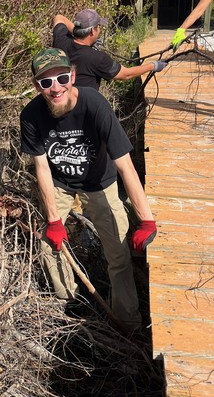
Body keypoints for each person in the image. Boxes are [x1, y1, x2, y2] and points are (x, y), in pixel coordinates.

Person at [20, 47, 157, 332]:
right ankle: (70, 303)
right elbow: (42, 168)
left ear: (72, 76)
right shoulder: (31, 116)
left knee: (118, 252)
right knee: (49, 245)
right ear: (36, 86)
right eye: (46, 82)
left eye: (61, 78)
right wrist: (54, 221)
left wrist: (146, 220)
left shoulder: (95, 105)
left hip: (100, 182)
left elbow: (125, 166)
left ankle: (128, 322)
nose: (55, 87)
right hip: (60, 183)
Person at [53, 9, 168, 90]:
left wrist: (81, 34)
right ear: (92, 31)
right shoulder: (97, 58)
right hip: (83, 108)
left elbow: (59, 17)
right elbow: (126, 74)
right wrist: (153, 66)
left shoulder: (60, 40)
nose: (100, 29)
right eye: (99, 26)